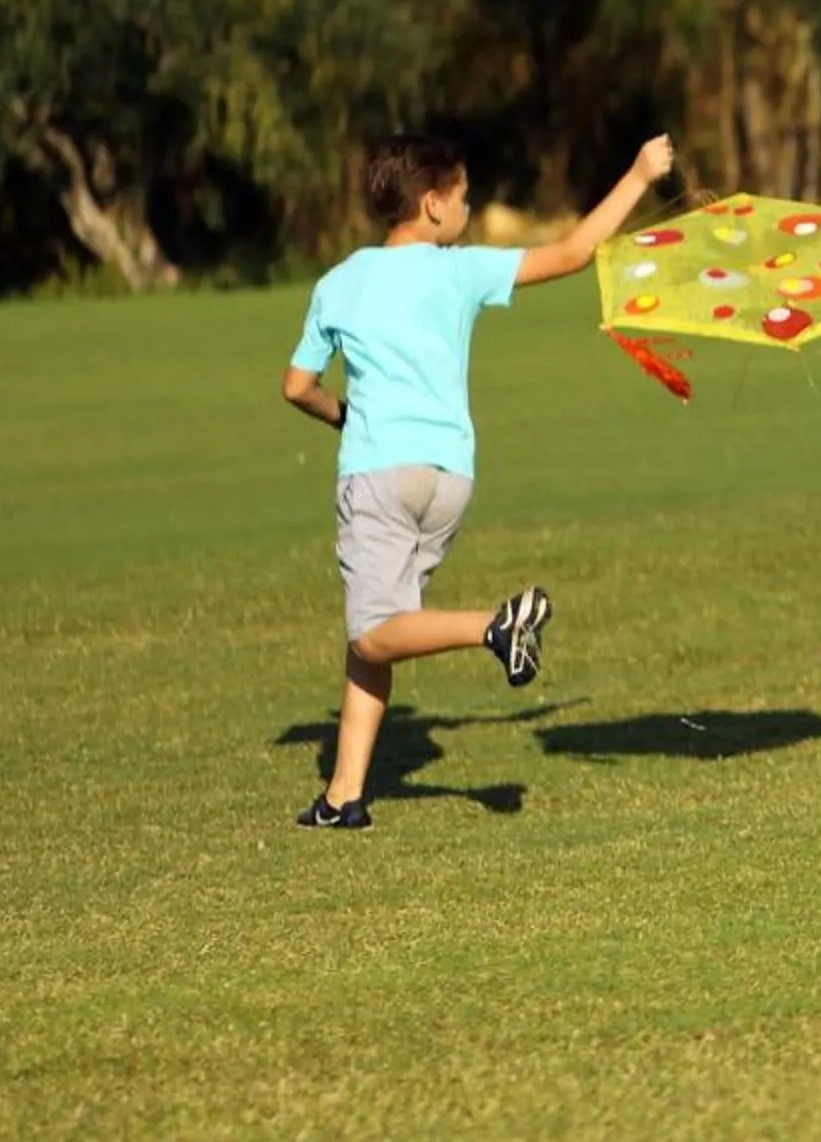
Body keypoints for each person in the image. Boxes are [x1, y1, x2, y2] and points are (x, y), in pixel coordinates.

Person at [282, 131, 675, 829]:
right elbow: (576, 252)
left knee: (375, 631)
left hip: (379, 474)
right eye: (464, 196)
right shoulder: (457, 271)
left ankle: (495, 626)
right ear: (432, 205)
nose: (469, 207)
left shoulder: (339, 282)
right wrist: (641, 172)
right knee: (385, 628)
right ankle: (343, 796)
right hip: (449, 481)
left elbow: (296, 387)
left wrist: (343, 414)